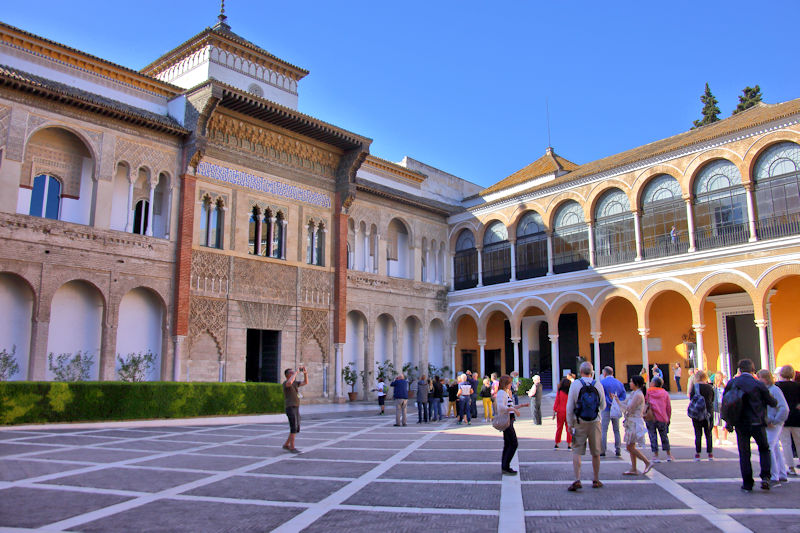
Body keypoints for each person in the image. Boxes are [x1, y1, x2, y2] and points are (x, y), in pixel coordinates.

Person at [724, 358, 777, 491]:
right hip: (757, 422)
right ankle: (765, 477)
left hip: (740, 423)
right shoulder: (758, 384)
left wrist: (729, 422)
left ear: (739, 370)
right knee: (764, 449)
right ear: (753, 369)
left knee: (744, 453)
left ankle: (747, 483)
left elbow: (726, 403)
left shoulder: (732, 383)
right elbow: (771, 402)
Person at [565, 361, 606, 491]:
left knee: (577, 451)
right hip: (595, 422)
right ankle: (596, 479)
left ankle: (577, 479)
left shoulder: (576, 384)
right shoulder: (598, 384)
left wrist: (570, 424)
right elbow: (603, 405)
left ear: (580, 371)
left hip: (579, 421)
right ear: (592, 372)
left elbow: (570, 406)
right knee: (596, 452)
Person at [613, 374, 653, 476]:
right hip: (631, 422)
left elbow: (629, 408)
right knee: (630, 445)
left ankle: (646, 462)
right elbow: (625, 403)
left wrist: (618, 403)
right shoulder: (634, 393)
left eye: (631, 382)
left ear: (636, 384)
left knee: (630, 447)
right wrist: (617, 400)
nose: (629, 383)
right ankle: (634, 468)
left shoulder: (638, 395)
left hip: (634, 422)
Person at [758, 369, 789, 486]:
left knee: (769, 447)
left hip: (774, 423)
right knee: (774, 447)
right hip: (771, 422)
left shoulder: (774, 390)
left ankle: (774, 476)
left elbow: (784, 408)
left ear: (765, 378)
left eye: (760, 377)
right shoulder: (768, 390)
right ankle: (781, 473)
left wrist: (776, 421)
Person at [776, 365, 800, 476]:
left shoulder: (778, 386)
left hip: (784, 417)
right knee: (799, 442)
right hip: (797, 417)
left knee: (786, 443)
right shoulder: (798, 386)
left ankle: (790, 467)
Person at [498, 374, 524, 475]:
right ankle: (506, 466)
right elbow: (501, 407)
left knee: (508, 443)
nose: (511, 385)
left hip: (509, 420)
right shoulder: (501, 393)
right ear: (506, 384)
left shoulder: (505, 393)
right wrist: (513, 409)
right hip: (507, 421)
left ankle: (505, 466)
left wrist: (521, 406)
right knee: (513, 443)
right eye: (510, 383)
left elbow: (509, 406)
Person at [645, 376, 674, 462]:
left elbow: (645, 404)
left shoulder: (648, 392)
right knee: (664, 436)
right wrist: (668, 418)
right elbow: (668, 407)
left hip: (651, 417)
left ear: (653, 383)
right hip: (662, 417)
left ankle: (655, 455)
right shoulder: (665, 393)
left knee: (652, 436)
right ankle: (668, 455)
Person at [599, 366, 625, 457]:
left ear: (605, 373)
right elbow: (623, 396)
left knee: (603, 430)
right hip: (615, 408)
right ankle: (618, 449)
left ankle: (602, 450)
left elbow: (600, 395)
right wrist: (616, 401)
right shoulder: (619, 383)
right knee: (616, 430)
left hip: (606, 408)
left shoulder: (602, 383)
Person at [282, 365, 308, 453]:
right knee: (293, 427)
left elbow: (305, 382)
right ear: (287, 375)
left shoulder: (295, 383)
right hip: (290, 407)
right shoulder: (286, 383)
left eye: (293, 371)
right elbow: (289, 383)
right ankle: (292, 447)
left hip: (296, 407)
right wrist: (296, 372)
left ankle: (286, 444)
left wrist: (305, 373)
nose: (293, 373)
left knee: (296, 427)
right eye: (291, 372)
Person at [690, 370, 715, 461]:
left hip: (697, 413)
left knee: (698, 433)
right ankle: (710, 454)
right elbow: (712, 399)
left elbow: (691, 399)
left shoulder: (695, 387)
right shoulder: (709, 387)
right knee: (708, 433)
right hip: (708, 412)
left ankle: (697, 454)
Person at [553, 378, 572, 449]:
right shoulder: (570, 393)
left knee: (559, 428)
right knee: (569, 428)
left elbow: (556, 402)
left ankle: (557, 443)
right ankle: (569, 444)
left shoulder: (559, 392)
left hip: (560, 411)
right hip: (569, 412)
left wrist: (554, 411)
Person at [712, 373, 729, 446]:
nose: (722, 378)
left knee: (726, 422)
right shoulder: (714, 387)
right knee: (715, 423)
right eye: (720, 377)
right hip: (716, 406)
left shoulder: (724, 386)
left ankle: (725, 438)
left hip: (724, 405)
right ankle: (717, 438)